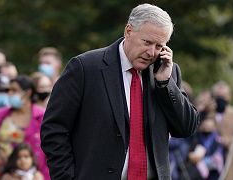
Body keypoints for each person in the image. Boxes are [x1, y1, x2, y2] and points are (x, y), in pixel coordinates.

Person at [40, 3, 199, 180]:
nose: (151, 52)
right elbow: (54, 129)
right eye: (147, 42)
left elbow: (186, 128)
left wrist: (166, 84)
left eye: (159, 46)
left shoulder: (167, 71)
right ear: (128, 31)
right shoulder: (85, 68)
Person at [0, 75, 49, 180]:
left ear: (28, 93)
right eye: (9, 90)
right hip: (5, 175)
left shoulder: (42, 116)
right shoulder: (0, 116)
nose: (10, 93)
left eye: (14, 90)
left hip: (38, 175)